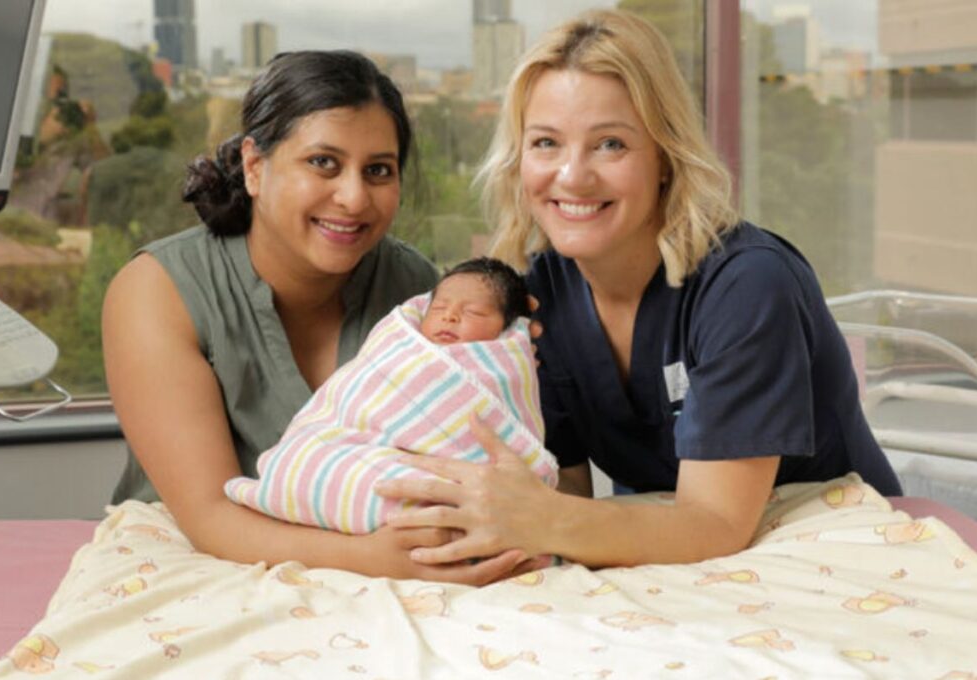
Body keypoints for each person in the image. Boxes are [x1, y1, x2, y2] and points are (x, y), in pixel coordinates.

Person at [376, 9, 903, 570]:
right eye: (546, 143)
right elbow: (562, 494)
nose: (573, 176)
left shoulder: (746, 286)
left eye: (610, 145)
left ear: (666, 158)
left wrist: (539, 518)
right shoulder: (539, 299)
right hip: (673, 568)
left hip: (844, 551)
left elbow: (715, 523)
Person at [102, 50, 531, 583]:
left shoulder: (417, 293)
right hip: (197, 565)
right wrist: (376, 559)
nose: (353, 198)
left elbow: (472, 451)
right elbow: (209, 518)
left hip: (399, 570)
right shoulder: (157, 292)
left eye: (378, 170)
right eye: (323, 162)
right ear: (255, 166)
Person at [224, 257, 557, 535]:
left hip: (439, 467)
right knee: (303, 463)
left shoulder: (502, 363)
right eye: (439, 307)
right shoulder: (401, 344)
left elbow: (499, 431)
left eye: (473, 313)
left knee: (463, 499)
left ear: (506, 328)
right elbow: (356, 401)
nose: (449, 316)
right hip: (364, 445)